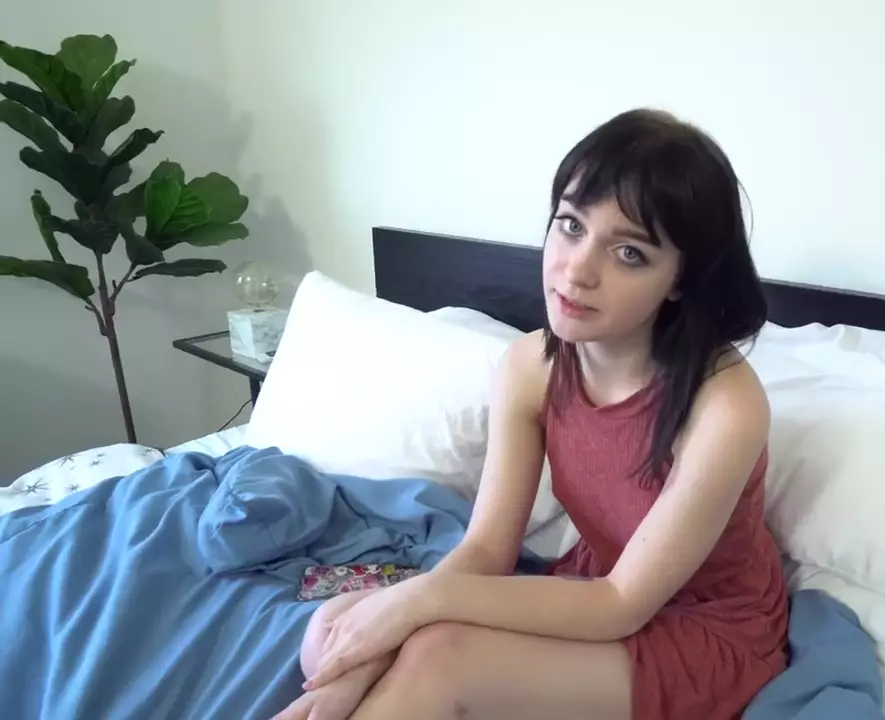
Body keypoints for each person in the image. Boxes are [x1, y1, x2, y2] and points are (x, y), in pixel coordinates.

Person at [274, 108, 790, 720]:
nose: (577, 270)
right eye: (571, 226)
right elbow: (487, 550)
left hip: (700, 626)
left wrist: (414, 605)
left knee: (442, 658)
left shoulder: (726, 406)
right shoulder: (529, 367)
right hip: (595, 587)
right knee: (333, 625)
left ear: (679, 278)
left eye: (629, 252)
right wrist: (367, 650)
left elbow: (622, 603)